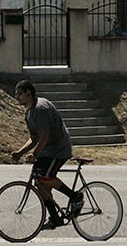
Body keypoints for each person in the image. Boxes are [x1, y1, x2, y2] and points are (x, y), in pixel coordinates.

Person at [11, 80, 82, 229]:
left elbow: (46, 135)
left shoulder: (41, 107)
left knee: (45, 177)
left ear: (28, 93)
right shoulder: (29, 112)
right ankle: (55, 218)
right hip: (47, 150)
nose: (16, 97)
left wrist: (35, 154)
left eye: (19, 94)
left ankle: (75, 197)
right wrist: (20, 152)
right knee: (39, 182)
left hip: (58, 149)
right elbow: (35, 138)